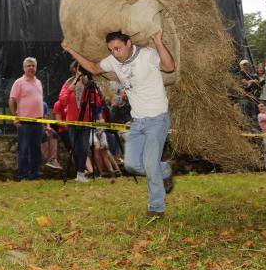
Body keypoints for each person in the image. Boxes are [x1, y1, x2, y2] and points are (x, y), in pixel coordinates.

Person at [63, 29, 175, 218]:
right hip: (137, 122)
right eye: (111, 50)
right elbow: (94, 68)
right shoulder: (114, 60)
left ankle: (156, 208)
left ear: (129, 43)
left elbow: (169, 66)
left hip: (157, 119)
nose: (115, 53)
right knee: (131, 165)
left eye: (118, 48)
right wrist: (71, 50)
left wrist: (157, 41)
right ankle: (164, 169)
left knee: (149, 164)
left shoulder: (147, 55)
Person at [9, 57, 45, 181]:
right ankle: (22, 175)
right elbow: (12, 100)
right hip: (24, 122)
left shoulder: (39, 82)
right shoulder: (19, 82)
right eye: (28, 66)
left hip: (38, 122)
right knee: (23, 149)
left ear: (36, 67)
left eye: (33, 66)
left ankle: (34, 174)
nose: (31, 68)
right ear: (24, 68)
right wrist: (16, 117)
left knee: (36, 149)